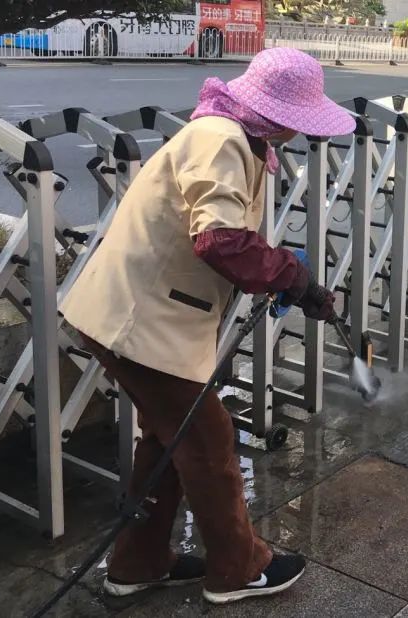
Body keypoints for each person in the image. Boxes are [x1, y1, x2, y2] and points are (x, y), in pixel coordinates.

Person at [60, 48, 355, 604]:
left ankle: (139, 563)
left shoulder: (237, 137)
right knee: (208, 440)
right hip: (139, 322)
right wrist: (291, 274)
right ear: (279, 114)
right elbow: (220, 240)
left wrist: (284, 275)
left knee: (168, 441)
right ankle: (238, 570)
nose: (303, 130)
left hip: (143, 318)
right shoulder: (221, 139)